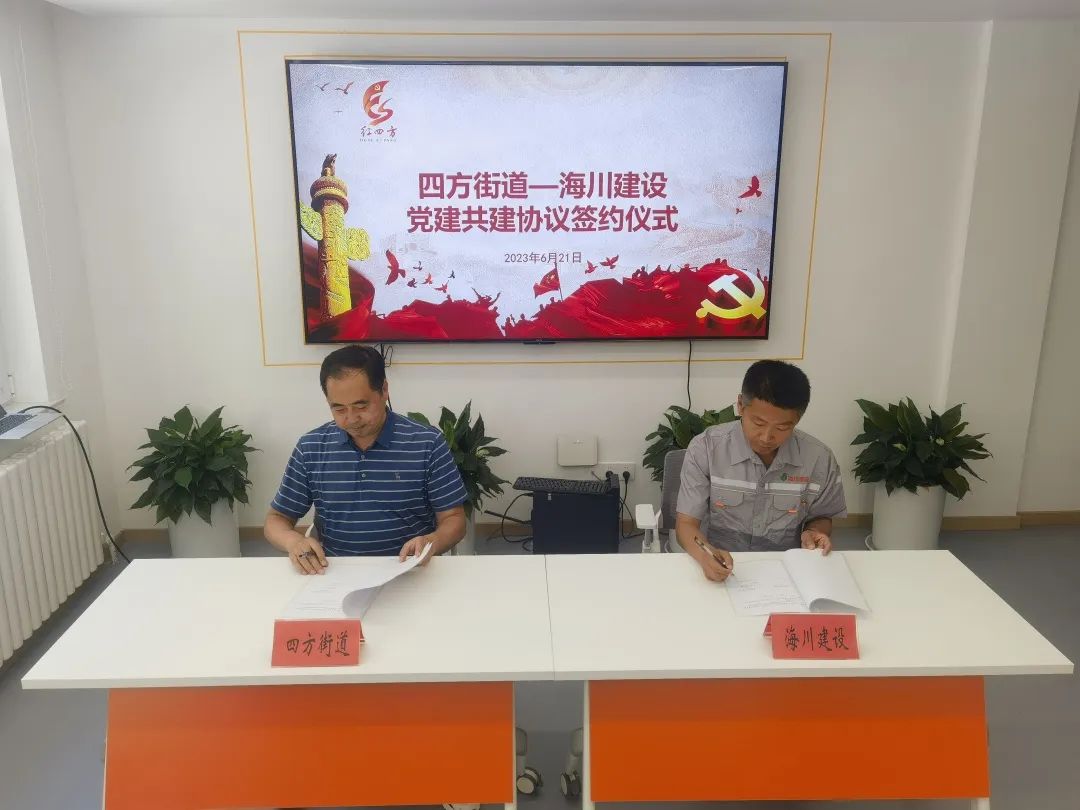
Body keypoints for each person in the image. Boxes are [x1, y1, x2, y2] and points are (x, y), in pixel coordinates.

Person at [264, 345, 467, 573]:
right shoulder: (311, 448)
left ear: (384, 390)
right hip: (337, 573)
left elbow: (454, 519)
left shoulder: (427, 443)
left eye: (361, 405)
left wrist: (432, 541)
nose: (352, 419)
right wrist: (293, 541)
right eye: (339, 409)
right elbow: (277, 519)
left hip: (411, 570)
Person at [675, 360, 847, 582]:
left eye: (782, 427)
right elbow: (686, 524)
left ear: (797, 420)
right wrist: (704, 554)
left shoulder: (819, 459)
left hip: (786, 570)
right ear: (740, 405)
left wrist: (814, 532)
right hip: (723, 565)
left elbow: (822, 516)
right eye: (758, 422)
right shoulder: (706, 449)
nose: (767, 437)